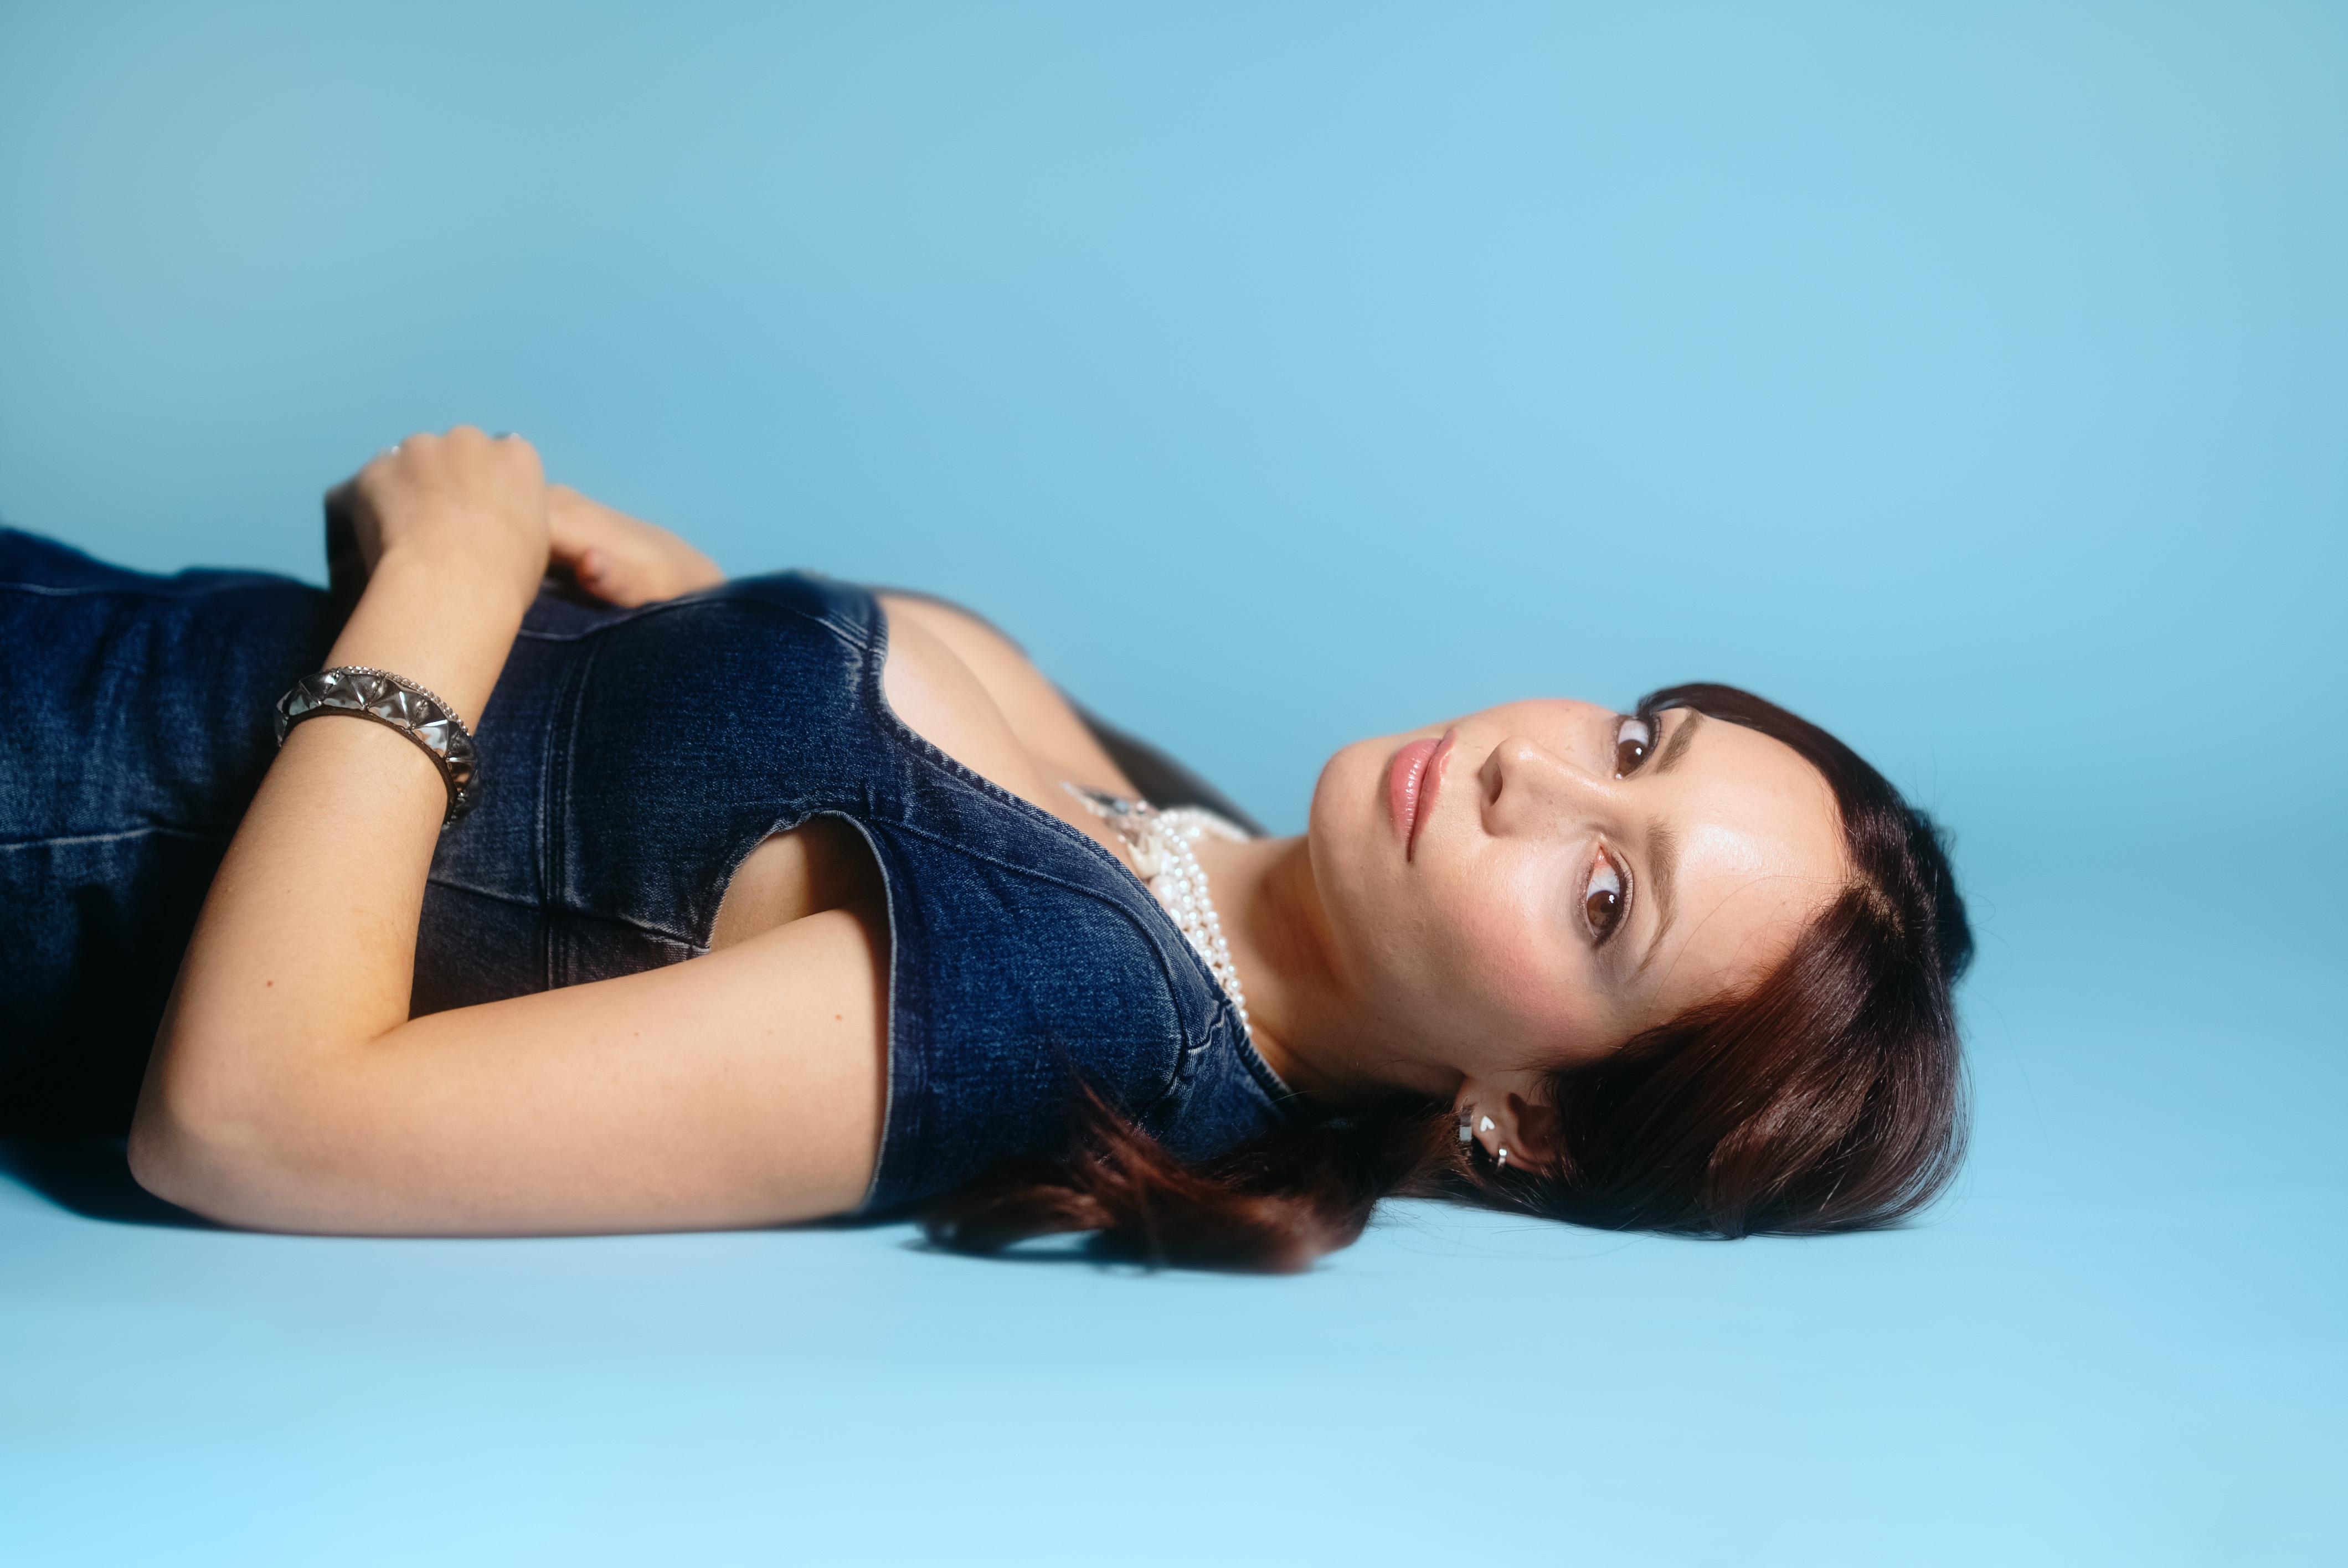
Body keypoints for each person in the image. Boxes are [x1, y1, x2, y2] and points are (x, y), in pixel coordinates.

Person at [1, 427, 1970, 1270]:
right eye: (1632, 739)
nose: (1534, 777)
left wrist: (442, 586)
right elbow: (679, 835)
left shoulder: (1054, 1005)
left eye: (1607, 895)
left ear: (1526, 1122)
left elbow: (253, 1119)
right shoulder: (1179, 849)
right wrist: (642, 600)